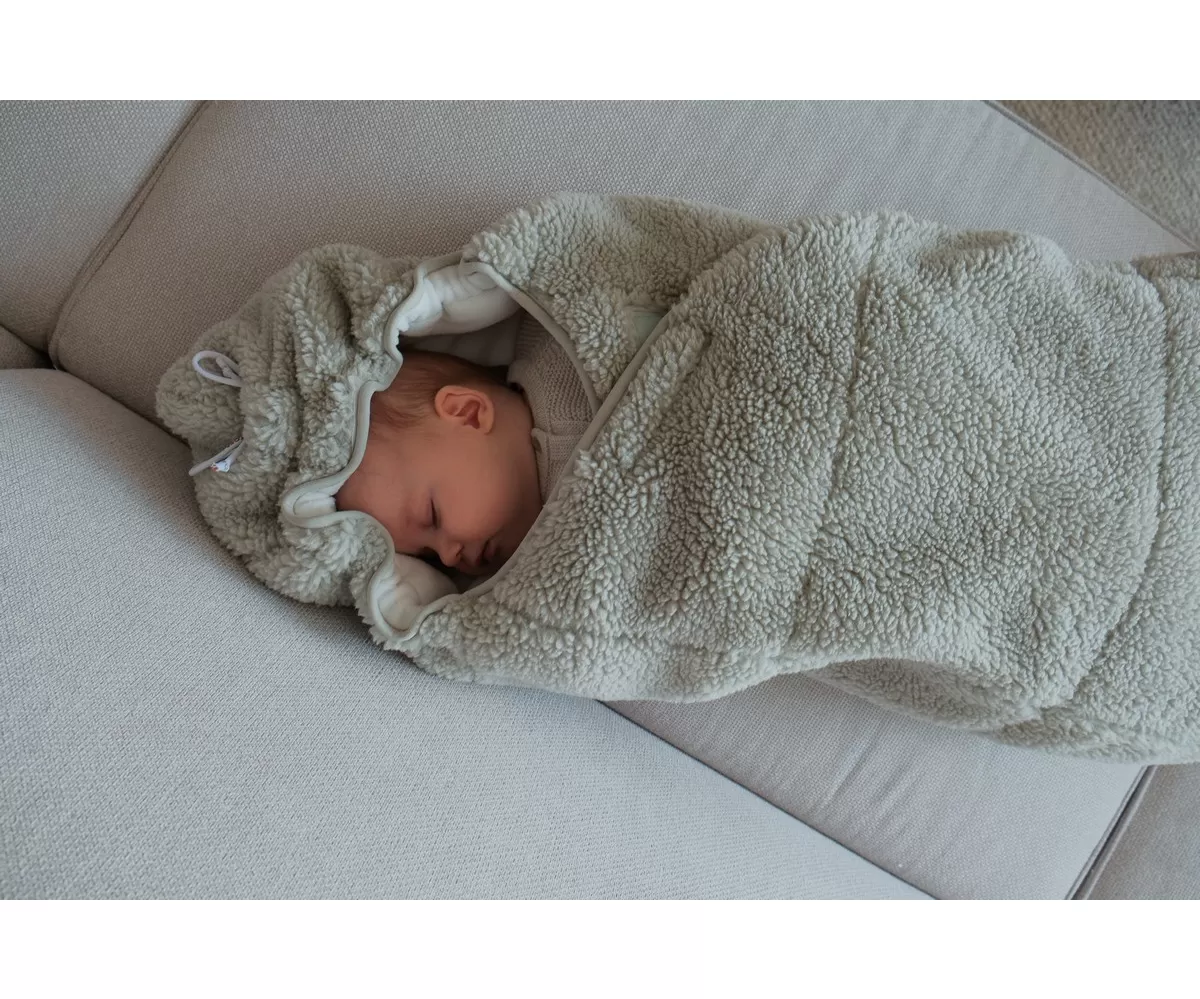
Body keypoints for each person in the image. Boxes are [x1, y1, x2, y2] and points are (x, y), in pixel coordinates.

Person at [335, 314, 591, 578]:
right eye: (429, 555)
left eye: (433, 516)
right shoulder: (538, 573)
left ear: (468, 414)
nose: (448, 558)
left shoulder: (560, 347)